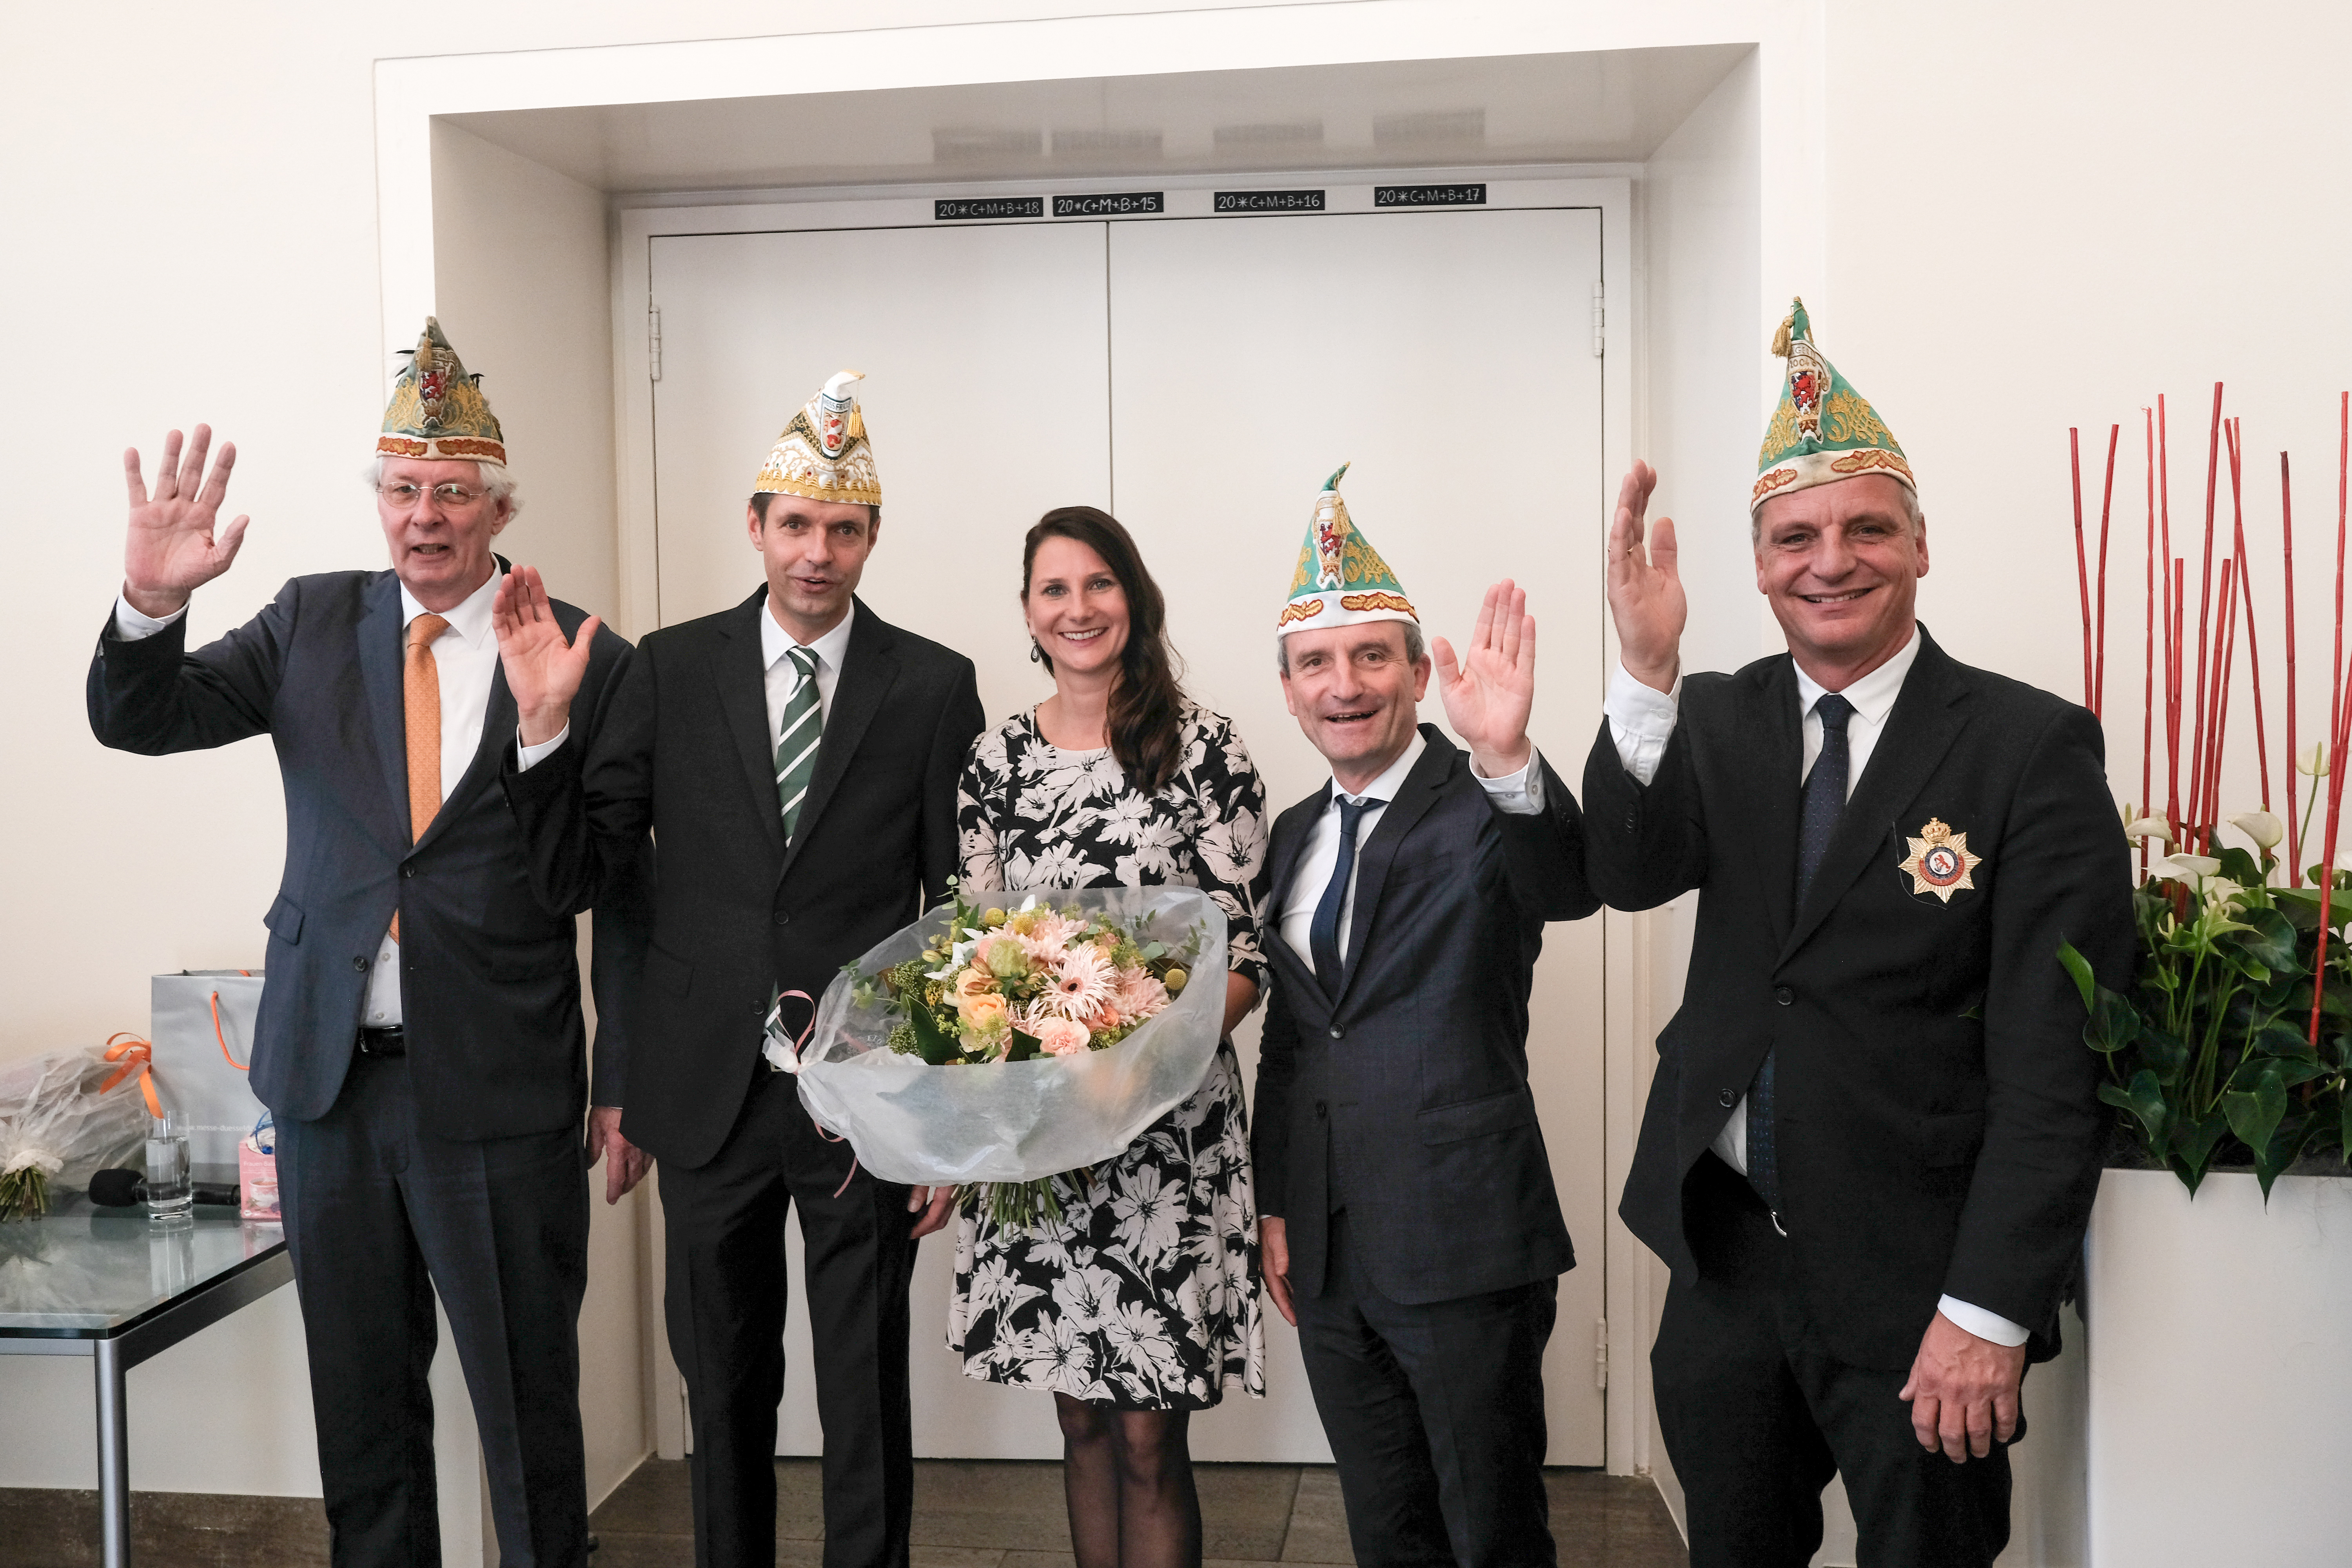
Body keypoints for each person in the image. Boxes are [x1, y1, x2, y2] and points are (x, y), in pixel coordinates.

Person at [1584, 299, 2135, 1567]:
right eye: (1795, 537)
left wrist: (1989, 1311)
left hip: (1922, 1282)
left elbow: (2060, 1064)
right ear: (1760, 561)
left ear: (1921, 546)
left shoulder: (2028, 748)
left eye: (1865, 528)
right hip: (1727, 1265)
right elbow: (1624, 872)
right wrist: (1642, 671)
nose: (1830, 560)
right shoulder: (1715, 716)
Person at [86, 318, 640, 1568]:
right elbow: (144, 720)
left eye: (452, 493)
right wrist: (151, 604)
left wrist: (546, 736)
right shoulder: (309, 622)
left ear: (497, 508)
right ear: (378, 502)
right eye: (403, 490)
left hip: (496, 1093)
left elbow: (595, 881)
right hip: (331, 1088)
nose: (425, 516)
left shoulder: (586, 653)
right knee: (363, 1417)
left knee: (526, 1412)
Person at [494, 370, 985, 1568]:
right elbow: (600, 879)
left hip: (861, 1099)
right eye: (798, 525)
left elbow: (957, 917)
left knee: (865, 1390)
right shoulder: (666, 668)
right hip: (701, 1092)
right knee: (721, 1388)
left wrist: (945, 1115)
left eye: (845, 529)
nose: (819, 553)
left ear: (872, 538)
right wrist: (544, 734)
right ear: (756, 525)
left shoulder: (932, 685)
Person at [1251, 468, 1597, 1568]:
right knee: (1385, 1525)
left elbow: (1568, 883)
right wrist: (1276, 1202)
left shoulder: (1481, 806)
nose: (1343, 684)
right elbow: (1296, 1036)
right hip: (1331, 1246)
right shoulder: (1294, 833)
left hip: (1465, 1239)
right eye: (1317, 663)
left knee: (1489, 1529)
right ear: (1291, 688)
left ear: (1413, 672)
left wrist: (1506, 757)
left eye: (1369, 657)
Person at [948, 505, 1268, 1568]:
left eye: (1099, 584)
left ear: (1134, 598)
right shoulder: (995, 763)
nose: (1078, 608)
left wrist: (1145, 1066)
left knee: (1146, 1428)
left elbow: (1250, 954)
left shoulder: (1207, 747)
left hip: (1164, 1141)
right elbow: (976, 950)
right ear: (1030, 615)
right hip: (1044, 1141)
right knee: (1080, 1418)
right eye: (1054, 590)